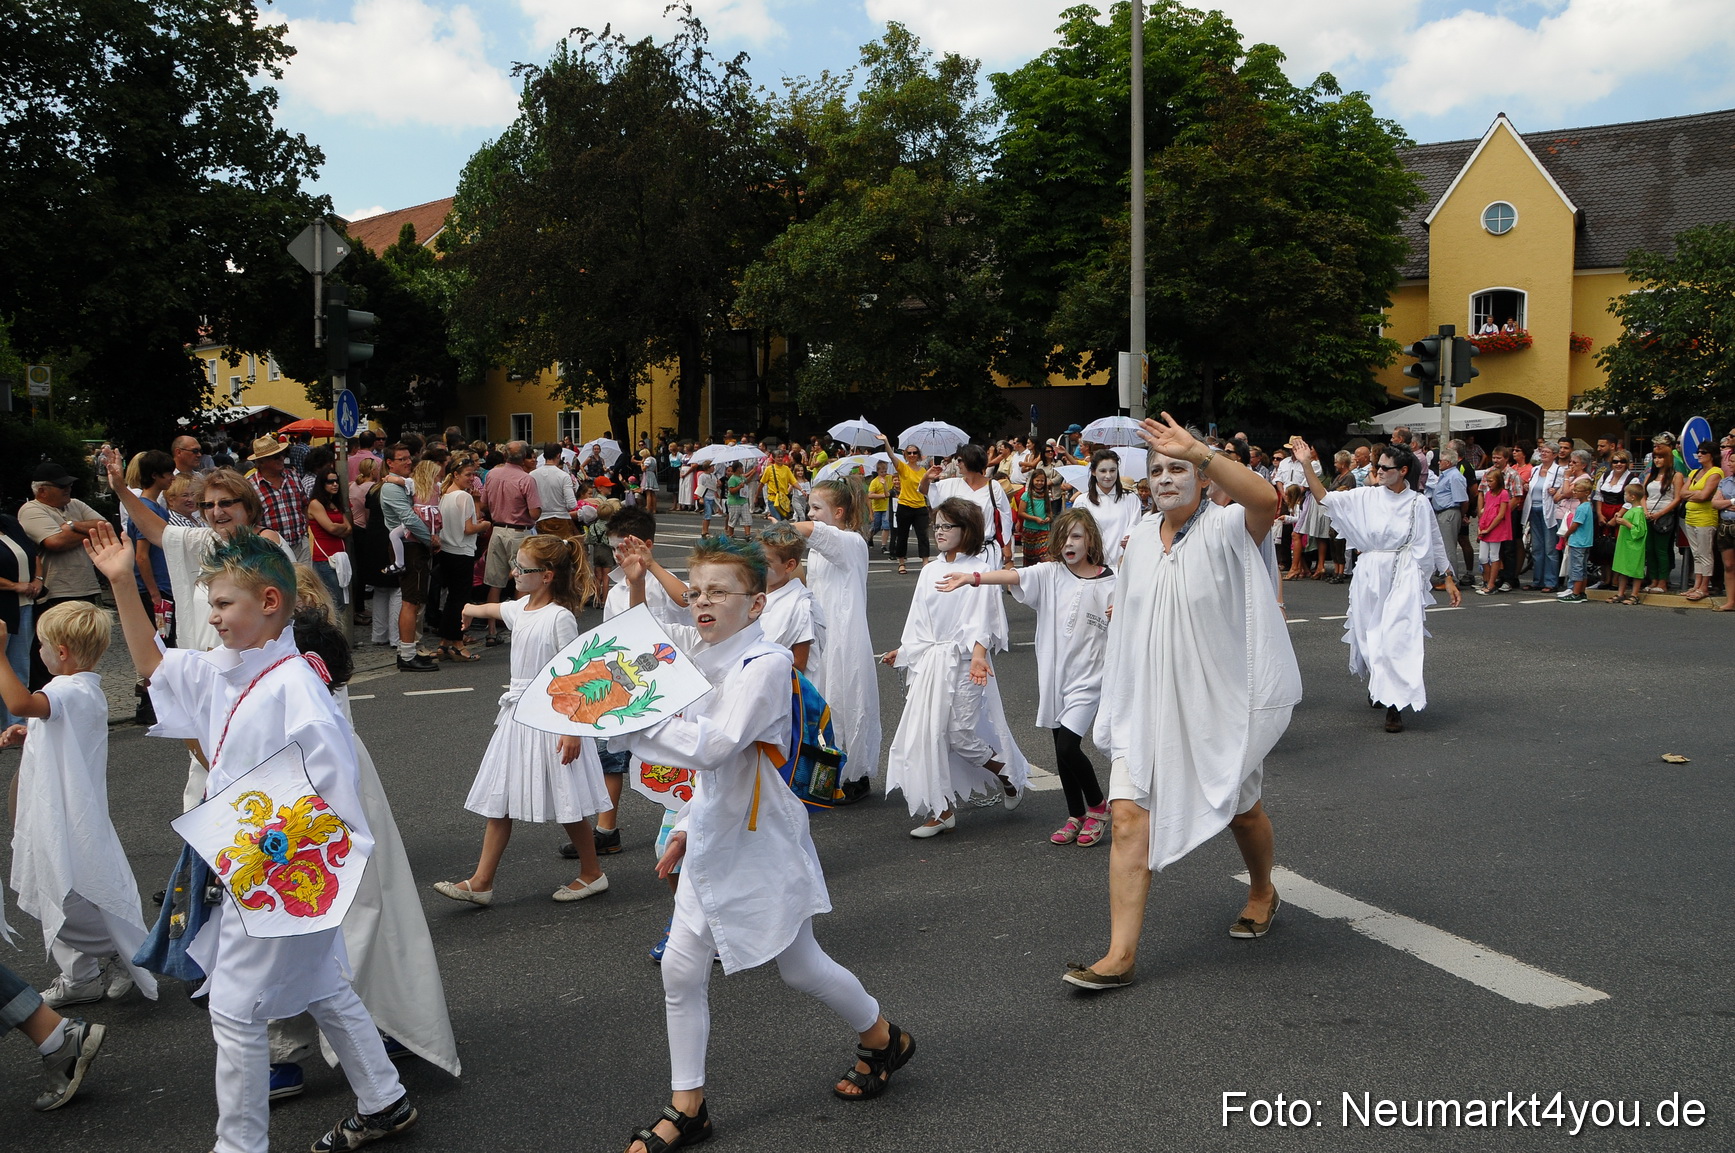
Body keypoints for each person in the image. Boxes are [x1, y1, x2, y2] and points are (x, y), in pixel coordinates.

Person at [89, 523, 420, 1153]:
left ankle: (239, 1146)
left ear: (269, 603)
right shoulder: (231, 671)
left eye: (221, 604)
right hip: (252, 868)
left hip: (280, 876)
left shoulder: (295, 685)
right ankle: (384, 1099)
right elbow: (153, 665)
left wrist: (302, 881)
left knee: (236, 1010)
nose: (211, 618)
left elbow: (333, 793)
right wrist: (121, 584)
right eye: (209, 604)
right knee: (322, 983)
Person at [610, 534, 916, 1153]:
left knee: (800, 967)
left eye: (720, 592)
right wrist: (688, 830)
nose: (703, 603)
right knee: (680, 967)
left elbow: (717, 747)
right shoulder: (700, 659)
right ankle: (687, 1105)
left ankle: (884, 1036)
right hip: (714, 834)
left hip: (761, 839)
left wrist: (633, 725)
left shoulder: (767, 665)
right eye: (696, 592)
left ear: (755, 605)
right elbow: (712, 776)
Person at [1062, 415, 1300, 992]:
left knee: (1244, 810)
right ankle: (1119, 954)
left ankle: (1262, 889)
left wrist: (1202, 449)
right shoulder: (1140, 536)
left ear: (1201, 477)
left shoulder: (1226, 528)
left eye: (1179, 468)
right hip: (1147, 697)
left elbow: (1266, 498)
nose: (1166, 478)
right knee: (1125, 817)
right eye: (1158, 471)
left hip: (1215, 700)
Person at [434, 535, 610, 907]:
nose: (514, 571)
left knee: (567, 800)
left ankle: (592, 873)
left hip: (552, 717)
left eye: (522, 568)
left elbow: (574, 674)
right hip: (518, 717)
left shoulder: (560, 617)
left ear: (546, 576)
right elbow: (494, 611)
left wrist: (570, 729)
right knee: (502, 797)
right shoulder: (522, 607)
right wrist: (468, 607)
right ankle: (481, 882)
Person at [1, 600, 159, 1009]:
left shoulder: (67, 689)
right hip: (62, 805)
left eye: (42, 645)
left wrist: (0, 655)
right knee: (63, 885)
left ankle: (121, 952)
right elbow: (44, 720)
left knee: (63, 892)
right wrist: (30, 732)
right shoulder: (81, 689)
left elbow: (19, 702)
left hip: (66, 812)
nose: (39, 652)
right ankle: (80, 975)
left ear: (63, 652)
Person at [937, 507, 1114, 847]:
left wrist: (1120, 610)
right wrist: (971, 579)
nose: (1069, 543)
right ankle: (1075, 814)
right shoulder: (1050, 573)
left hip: (1090, 678)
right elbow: (1014, 576)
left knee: (1068, 746)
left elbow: (1132, 610)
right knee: (1061, 753)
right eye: (1063, 537)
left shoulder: (1111, 581)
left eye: (1076, 536)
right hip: (1054, 677)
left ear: (1090, 539)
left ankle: (1098, 806)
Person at [882, 498, 1030, 837]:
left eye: (948, 526)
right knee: (928, 734)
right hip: (932, 662)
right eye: (937, 526)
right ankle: (942, 809)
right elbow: (919, 618)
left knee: (961, 735)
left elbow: (986, 621)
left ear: (968, 530)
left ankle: (1008, 776)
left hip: (965, 662)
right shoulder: (930, 570)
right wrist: (904, 651)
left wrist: (978, 655)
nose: (940, 532)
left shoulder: (978, 569)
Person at [1292, 439, 1460, 734]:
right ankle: (1379, 683)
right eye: (1376, 466)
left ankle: (1394, 707)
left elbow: (1433, 540)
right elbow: (1324, 498)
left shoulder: (1418, 503)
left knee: (1396, 638)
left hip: (1403, 574)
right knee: (1369, 637)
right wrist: (1306, 464)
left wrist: (1447, 576)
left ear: (1403, 470)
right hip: (1369, 574)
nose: (1378, 471)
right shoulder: (1366, 497)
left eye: (1385, 467)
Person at [785, 480, 881, 804]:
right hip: (823, 637)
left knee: (847, 702)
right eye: (809, 507)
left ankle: (854, 776)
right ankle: (827, 775)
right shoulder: (823, 551)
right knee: (823, 703)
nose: (810, 513)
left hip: (846, 638)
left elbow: (818, 532)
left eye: (816, 508)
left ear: (838, 512)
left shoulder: (851, 542)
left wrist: (786, 530)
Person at [18, 462, 108, 690]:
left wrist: (70, 525)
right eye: (61, 486)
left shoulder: (74, 505)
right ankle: (47, 703)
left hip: (84, 588)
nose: (68, 488)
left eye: (68, 484)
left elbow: (105, 526)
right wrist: (88, 530)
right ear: (42, 491)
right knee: (54, 657)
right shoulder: (32, 510)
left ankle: (79, 697)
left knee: (82, 655)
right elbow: (55, 542)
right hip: (55, 593)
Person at [479, 441, 543, 645]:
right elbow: (534, 513)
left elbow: (483, 504)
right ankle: (519, 629)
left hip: (497, 530)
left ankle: (491, 630)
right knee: (522, 580)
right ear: (524, 457)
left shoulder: (492, 475)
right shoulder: (526, 479)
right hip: (519, 531)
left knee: (494, 582)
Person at [435, 456, 489, 662]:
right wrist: (484, 526)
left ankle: (444, 643)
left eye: (473, 474)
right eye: (468, 474)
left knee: (452, 599)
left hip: (447, 549)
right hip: (462, 551)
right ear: (455, 474)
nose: (471, 478)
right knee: (460, 600)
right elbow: (469, 528)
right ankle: (457, 643)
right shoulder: (462, 497)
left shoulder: (445, 495)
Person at [925, 444, 1015, 569]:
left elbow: (1006, 518)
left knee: (985, 587)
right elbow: (925, 490)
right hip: (959, 551)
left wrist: (1007, 546)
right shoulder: (952, 484)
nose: (957, 464)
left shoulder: (993, 486)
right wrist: (926, 478)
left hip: (985, 552)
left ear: (971, 460)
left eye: (960, 460)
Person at [755, 525, 822, 672]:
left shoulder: (799, 606)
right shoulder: (752, 594)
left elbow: (799, 663)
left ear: (789, 565)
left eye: (765, 562)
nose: (757, 566)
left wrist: (756, 668)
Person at [246, 436, 310, 562]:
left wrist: (305, 533)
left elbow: (304, 505)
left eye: (282, 454)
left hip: (300, 546)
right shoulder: (250, 486)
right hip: (270, 551)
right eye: (276, 456)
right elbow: (248, 521)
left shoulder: (293, 476)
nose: (282, 458)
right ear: (261, 461)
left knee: (305, 581)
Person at [1076, 449, 1142, 565]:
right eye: (1103, 471)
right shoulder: (1082, 501)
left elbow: (1134, 525)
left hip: (1123, 565)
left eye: (1112, 470)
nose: (1108, 476)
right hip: (1092, 567)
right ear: (1093, 472)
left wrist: (1129, 538)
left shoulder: (1131, 499)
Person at [878, 433, 932, 574]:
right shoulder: (902, 467)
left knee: (923, 535)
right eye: (909, 453)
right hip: (905, 506)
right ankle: (901, 562)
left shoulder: (923, 470)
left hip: (920, 506)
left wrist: (930, 478)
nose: (912, 455)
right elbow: (891, 456)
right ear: (905, 455)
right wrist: (886, 441)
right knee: (902, 535)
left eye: (915, 453)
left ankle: (925, 562)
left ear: (918, 455)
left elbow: (925, 490)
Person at [1681, 441, 1724, 601]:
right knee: (1696, 553)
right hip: (1691, 516)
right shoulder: (1694, 472)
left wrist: (1693, 494)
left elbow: (1704, 495)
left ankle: (1704, 587)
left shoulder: (1715, 472)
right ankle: (1696, 585)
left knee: (1705, 553)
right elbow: (1682, 493)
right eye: (1698, 452)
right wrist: (1695, 494)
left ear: (1711, 455)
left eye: (1703, 452)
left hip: (1706, 517)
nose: (1699, 454)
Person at [1641, 443, 1685, 593]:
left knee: (1662, 550)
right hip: (1648, 514)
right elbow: (1643, 496)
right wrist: (1646, 511)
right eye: (1655, 457)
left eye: (1660, 457)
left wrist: (1660, 514)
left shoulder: (1675, 476)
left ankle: (1663, 581)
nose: (1657, 460)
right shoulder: (1649, 476)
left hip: (1665, 516)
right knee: (1650, 549)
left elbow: (1677, 498)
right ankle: (1653, 579)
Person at [305, 468, 351, 610]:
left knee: (341, 601)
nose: (335, 484)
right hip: (324, 558)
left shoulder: (335, 503)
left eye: (336, 481)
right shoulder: (315, 504)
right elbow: (331, 528)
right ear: (322, 484)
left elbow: (349, 528)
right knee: (335, 603)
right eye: (330, 482)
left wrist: (337, 528)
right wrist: (339, 527)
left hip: (340, 558)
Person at [1524, 444, 1566, 592]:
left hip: (1549, 512)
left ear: (1555, 455)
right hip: (1534, 510)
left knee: (1550, 549)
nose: (1543, 454)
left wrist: (1557, 490)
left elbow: (1564, 489)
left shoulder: (1560, 471)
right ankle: (1538, 580)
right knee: (1537, 548)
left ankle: (1551, 581)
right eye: (1542, 452)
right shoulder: (1535, 470)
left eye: (1547, 452)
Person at [1426, 449, 1470, 583]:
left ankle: (1453, 578)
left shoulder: (1455, 476)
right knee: (1442, 546)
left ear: (1448, 462)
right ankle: (1445, 575)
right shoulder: (1446, 475)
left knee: (1448, 547)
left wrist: (1461, 516)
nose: (1438, 463)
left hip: (1449, 512)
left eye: (1441, 460)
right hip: (1442, 512)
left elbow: (1463, 499)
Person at [1474, 467, 1513, 595]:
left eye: (1491, 481)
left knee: (1494, 555)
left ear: (1498, 481)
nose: (1489, 484)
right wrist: (1481, 527)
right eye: (1488, 481)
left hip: (1496, 529)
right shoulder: (1488, 494)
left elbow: (1501, 515)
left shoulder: (1504, 494)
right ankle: (1487, 580)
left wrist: (1488, 529)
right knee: (1483, 557)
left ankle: (1491, 584)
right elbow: (1485, 511)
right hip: (1486, 528)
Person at [1558, 476, 1596, 603]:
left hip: (1578, 541)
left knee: (1576, 568)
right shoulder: (1588, 506)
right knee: (1582, 567)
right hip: (1585, 541)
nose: (1574, 493)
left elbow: (1575, 524)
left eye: (1577, 491)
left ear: (1586, 492)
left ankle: (1575, 592)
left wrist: (1566, 534)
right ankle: (1582, 592)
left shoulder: (1581, 508)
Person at [1610, 482, 1649, 604]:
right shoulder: (1631, 510)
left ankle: (1634, 594)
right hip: (1625, 545)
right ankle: (1621, 593)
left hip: (1634, 546)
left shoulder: (1638, 512)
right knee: (1623, 569)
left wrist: (1626, 523)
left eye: (1626, 494)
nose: (1624, 496)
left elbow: (1640, 531)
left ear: (1633, 497)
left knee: (1635, 570)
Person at [1017, 469, 1054, 566]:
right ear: (1032, 480)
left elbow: (1050, 512)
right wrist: (1035, 519)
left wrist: (1049, 518)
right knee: (1030, 559)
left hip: (1044, 530)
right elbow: (1021, 513)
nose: (1039, 483)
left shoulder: (1046, 495)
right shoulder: (1026, 495)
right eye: (1037, 480)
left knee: (1044, 557)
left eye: (1042, 481)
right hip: (1030, 531)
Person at [723, 461, 750, 539]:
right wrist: (739, 487)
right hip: (734, 502)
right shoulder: (732, 479)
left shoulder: (741, 477)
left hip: (743, 501)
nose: (742, 469)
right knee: (733, 519)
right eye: (741, 468)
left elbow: (747, 480)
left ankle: (747, 534)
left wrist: (753, 472)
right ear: (738, 469)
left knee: (747, 518)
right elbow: (731, 491)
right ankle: (731, 534)